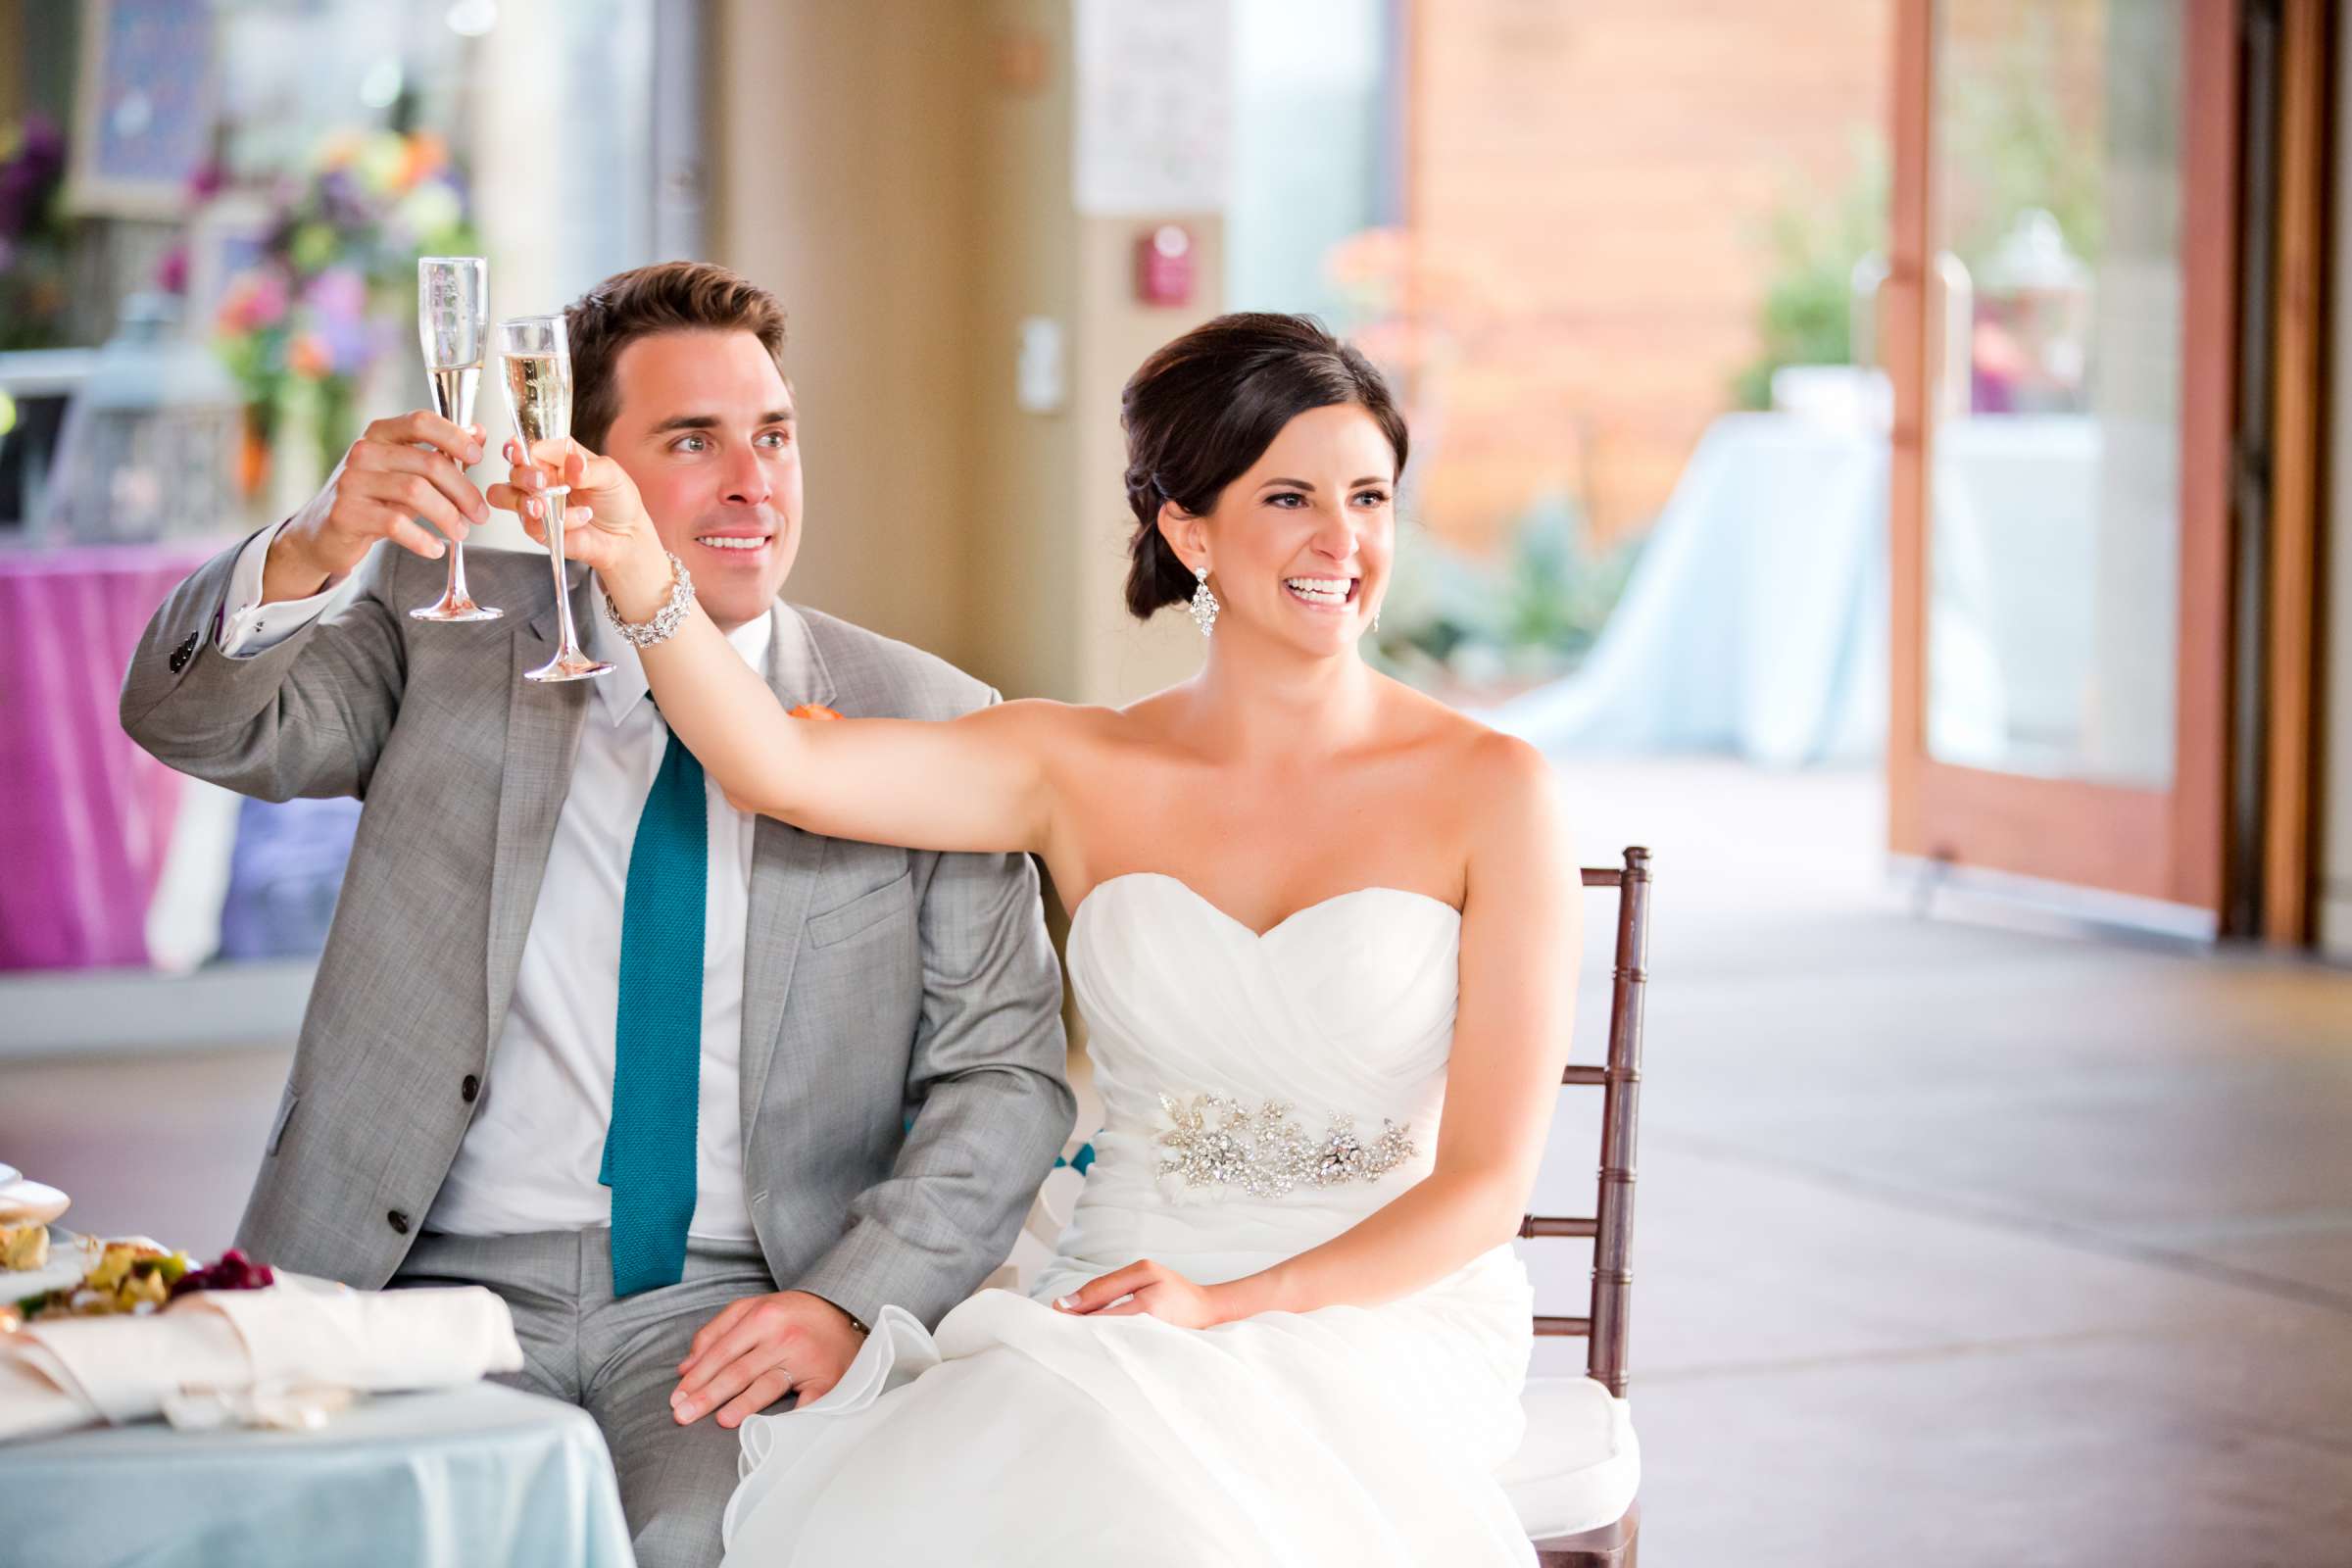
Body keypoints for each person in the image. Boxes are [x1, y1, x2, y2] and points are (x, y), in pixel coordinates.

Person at [507, 312, 1580, 1564]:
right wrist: (638, 566)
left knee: (1161, 1503)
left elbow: (1486, 1187)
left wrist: (1229, 1304)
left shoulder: (1495, 789)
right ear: (1189, 529)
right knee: (1018, 1471)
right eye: (1290, 497)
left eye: (1370, 497)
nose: (1342, 541)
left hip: (1382, 1310)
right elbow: (775, 762)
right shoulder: (1074, 763)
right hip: (1118, 1285)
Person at [119, 261, 1074, 1568]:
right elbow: (188, 719)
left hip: (735, 1296)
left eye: (775, 437)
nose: (755, 484)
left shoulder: (928, 719)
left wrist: (854, 1304)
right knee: (400, 1534)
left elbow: (1006, 1080)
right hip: (431, 1281)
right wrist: (316, 545)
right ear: (578, 467)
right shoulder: (444, 637)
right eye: (695, 441)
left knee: (699, 1538)